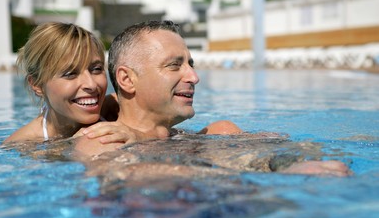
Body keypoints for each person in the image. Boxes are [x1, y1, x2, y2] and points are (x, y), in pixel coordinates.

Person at [74, 20, 351, 177]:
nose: (194, 77)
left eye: (191, 64)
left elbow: (274, 155)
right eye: (174, 65)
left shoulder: (214, 135)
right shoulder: (102, 139)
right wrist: (222, 172)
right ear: (126, 79)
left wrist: (294, 166)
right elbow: (124, 175)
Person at [3, 22, 135, 145]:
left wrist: (138, 135)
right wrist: (71, 145)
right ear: (37, 85)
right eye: (70, 74)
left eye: (96, 69)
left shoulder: (116, 108)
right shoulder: (23, 145)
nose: (91, 84)